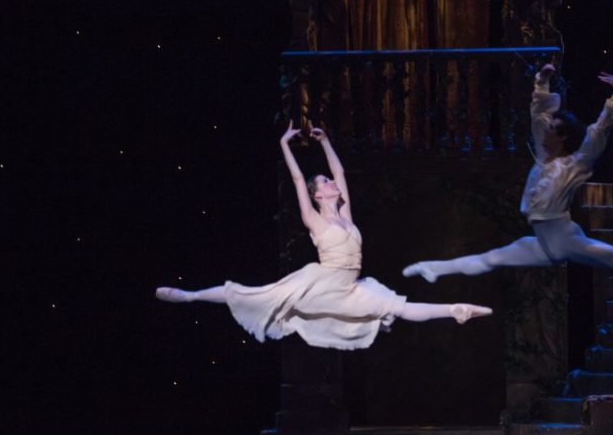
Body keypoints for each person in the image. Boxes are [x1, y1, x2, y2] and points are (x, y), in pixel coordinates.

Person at [156, 121, 492, 350]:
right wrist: (284, 145)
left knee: (398, 307)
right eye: (326, 184)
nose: (332, 184)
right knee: (255, 294)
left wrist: (325, 140)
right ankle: (190, 296)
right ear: (319, 195)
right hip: (321, 284)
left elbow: (340, 171)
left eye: (330, 183)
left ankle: (455, 310)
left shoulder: (345, 213)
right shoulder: (315, 221)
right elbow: (300, 181)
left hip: (350, 287)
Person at [402, 64, 613, 291]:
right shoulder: (545, 155)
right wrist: (542, 81)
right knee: (492, 258)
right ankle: (435, 268)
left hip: (562, 238)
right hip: (544, 241)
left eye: (552, 132)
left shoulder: (575, 164)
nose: (544, 134)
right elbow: (539, 114)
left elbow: (598, 130)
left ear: (562, 139)